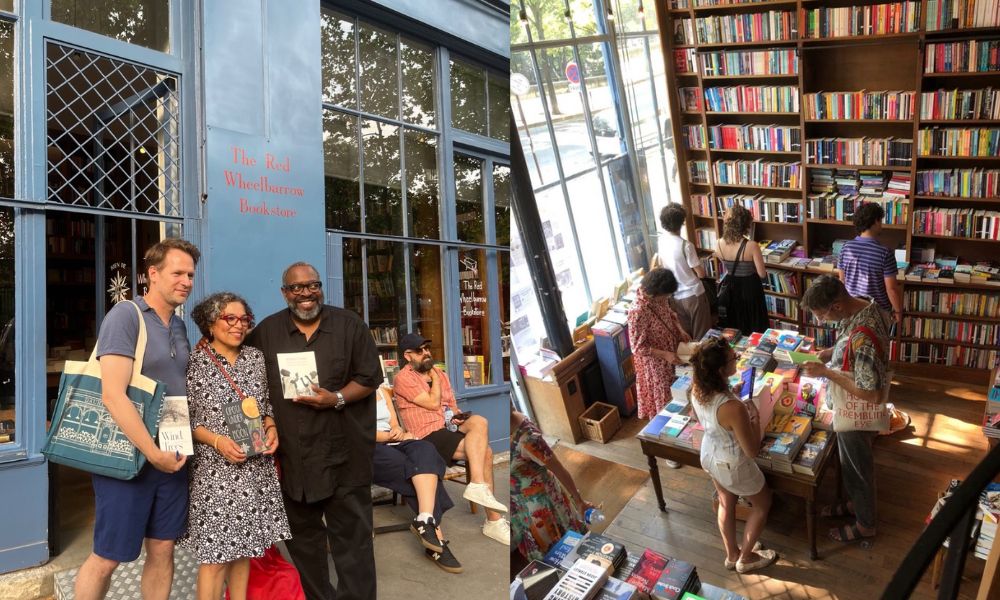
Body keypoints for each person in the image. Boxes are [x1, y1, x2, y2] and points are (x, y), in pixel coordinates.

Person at [245, 262, 382, 600]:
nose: (306, 293)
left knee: (353, 544)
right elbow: (247, 380)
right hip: (294, 462)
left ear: (320, 287)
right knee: (304, 545)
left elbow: (369, 378)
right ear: (284, 293)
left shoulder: (350, 326)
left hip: (345, 459)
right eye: (297, 288)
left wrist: (335, 398)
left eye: (312, 285)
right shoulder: (267, 332)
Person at [74, 238, 199, 600]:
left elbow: (176, 390)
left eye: (191, 274)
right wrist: (152, 452)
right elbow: (112, 395)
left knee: (163, 549)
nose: (186, 281)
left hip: (172, 455)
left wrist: (173, 451)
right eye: (178, 272)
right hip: (128, 457)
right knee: (108, 556)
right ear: (153, 274)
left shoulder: (178, 327)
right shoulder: (125, 316)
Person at [180, 292, 291, 600]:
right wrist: (217, 441)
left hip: (254, 469)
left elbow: (265, 406)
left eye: (244, 319)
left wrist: (271, 428)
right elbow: (186, 420)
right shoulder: (196, 363)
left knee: (245, 551)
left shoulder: (254, 358)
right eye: (230, 318)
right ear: (210, 323)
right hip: (215, 474)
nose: (239, 325)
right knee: (215, 559)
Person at [393, 333, 510, 545]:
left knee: (479, 421)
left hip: (447, 426)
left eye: (427, 348)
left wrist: (457, 416)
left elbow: (450, 404)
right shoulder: (404, 378)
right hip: (426, 434)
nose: (427, 353)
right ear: (408, 356)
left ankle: (476, 485)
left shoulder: (438, 372)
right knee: (487, 453)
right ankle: (493, 520)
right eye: (420, 351)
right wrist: (436, 379)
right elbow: (431, 402)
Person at [800, 275, 890, 543]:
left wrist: (827, 372)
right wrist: (831, 352)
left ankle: (866, 525)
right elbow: (850, 346)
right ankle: (857, 506)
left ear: (837, 306)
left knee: (857, 468)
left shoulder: (864, 338)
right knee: (853, 466)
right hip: (850, 405)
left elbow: (870, 394)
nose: (819, 321)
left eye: (820, 315)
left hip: (856, 412)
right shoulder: (867, 307)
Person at [688, 336, 777, 574]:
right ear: (719, 369)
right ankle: (746, 558)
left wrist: (732, 392)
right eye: (733, 358)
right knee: (762, 503)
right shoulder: (734, 408)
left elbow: (703, 417)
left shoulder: (697, 388)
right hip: (732, 463)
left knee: (726, 502)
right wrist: (755, 418)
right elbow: (752, 451)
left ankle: (731, 554)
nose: (737, 359)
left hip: (709, 454)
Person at [373, 386, 462, 573]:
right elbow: (357, 433)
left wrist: (398, 431)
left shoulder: (381, 391)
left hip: (393, 441)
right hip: (369, 449)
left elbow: (394, 423)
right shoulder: (348, 395)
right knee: (415, 472)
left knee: (425, 449)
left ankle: (424, 519)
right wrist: (388, 435)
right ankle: (436, 540)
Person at [510, 407, 595, 571]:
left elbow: (559, 469)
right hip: (518, 507)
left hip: (541, 507)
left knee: (559, 550)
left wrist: (578, 500)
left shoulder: (528, 438)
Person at [628, 268, 692, 420]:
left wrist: (680, 330)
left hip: (672, 352)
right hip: (656, 364)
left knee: (680, 389)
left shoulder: (660, 298)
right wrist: (665, 354)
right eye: (665, 296)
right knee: (666, 400)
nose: (667, 298)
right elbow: (637, 348)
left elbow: (670, 314)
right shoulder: (638, 311)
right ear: (654, 293)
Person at [837, 202, 903, 330]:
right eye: (880, 220)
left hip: (852, 309)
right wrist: (898, 311)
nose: (881, 224)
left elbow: (842, 282)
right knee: (876, 345)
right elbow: (891, 289)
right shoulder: (885, 253)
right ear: (875, 221)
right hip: (877, 313)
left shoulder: (845, 248)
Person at [657, 204, 713, 340]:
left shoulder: (661, 242)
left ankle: (690, 361)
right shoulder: (686, 245)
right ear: (682, 222)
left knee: (686, 336)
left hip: (675, 297)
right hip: (694, 295)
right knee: (702, 336)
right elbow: (701, 274)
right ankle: (702, 361)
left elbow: (662, 267)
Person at [713, 205, 769, 336]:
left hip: (730, 288)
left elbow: (727, 265)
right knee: (754, 326)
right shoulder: (752, 246)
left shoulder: (718, 243)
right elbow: (762, 274)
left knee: (735, 325)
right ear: (746, 224)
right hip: (749, 288)